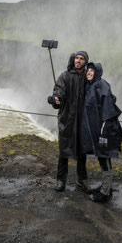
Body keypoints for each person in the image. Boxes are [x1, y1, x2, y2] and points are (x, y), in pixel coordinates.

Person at [79, 62, 122, 203]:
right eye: (88, 70)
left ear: (98, 72)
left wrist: (104, 133)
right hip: (97, 130)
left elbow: (108, 111)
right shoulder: (90, 86)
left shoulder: (102, 85)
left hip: (105, 130)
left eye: (92, 71)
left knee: (105, 159)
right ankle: (106, 187)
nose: (89, 72)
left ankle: (105, 193)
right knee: (101, 157)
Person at [48, 51, 91, 193]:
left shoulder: (88, 77)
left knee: (82, 151)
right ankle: (61, 181)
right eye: (77, 58)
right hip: (67, 119)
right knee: (64, 150)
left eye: (81, 59)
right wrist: (55, 98)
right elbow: (59, 91)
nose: (78, 60)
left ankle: (82, 180)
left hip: (83, 121)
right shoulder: (64, 76)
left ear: (85, 62)